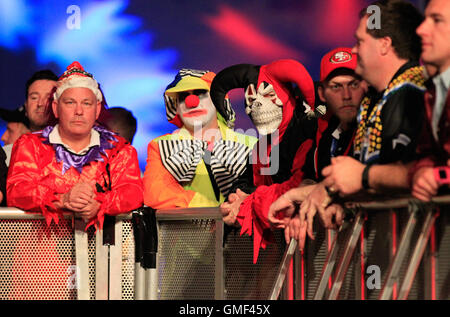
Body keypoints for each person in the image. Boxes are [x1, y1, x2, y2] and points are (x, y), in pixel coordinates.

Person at [7, 61, 143, 229]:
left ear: (97, 109)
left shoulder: (120, 150)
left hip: (102, 252)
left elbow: (133, 192)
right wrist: (62, 199)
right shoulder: (30, 145)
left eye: (86, 103)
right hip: (42, 253)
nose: (79, 111)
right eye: (70, 102)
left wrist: (100, 203)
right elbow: (17, 190)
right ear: (56, 108)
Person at [210, 59, 319, 262]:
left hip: (315, 245)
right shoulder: (261, 147)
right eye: (250, 101)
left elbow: (300, 185)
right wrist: (234, 200)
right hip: (280, 250)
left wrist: (248, 202)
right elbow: (245, 185)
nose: (258, 104)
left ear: (287, 98)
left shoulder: (306, 133)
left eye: (268, 94)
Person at [321, 0, 426, 197]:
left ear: (384, 44)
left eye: (360, 41)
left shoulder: (410, 92)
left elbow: (414, 176)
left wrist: (363, 176)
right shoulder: (376, 99)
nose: (354, 50)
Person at [268, 48, 367, 249]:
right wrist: (302, 206)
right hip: (346, 251)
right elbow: (311, 177)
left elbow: (374, 181)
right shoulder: (326, 132)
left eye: (353, 84)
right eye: (336, 87)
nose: (346, 95)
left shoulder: (373, 124)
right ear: (322, 93)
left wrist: (299, 196)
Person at [143, 68, 257, 209]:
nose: (192, 102)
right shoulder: (160, 147)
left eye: (200, 93)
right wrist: (212, 208)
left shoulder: (253, 145)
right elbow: (156, 192)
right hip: (189, 230)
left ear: (217, 99)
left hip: (243, 229)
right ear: (176, 107)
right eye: (183, 96)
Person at [409, 0, 450, 201]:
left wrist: (439, 175)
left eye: (437, 20)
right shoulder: (433, 92)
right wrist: (422, 172)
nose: (421, 29)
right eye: (425, 19)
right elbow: (427, 154)